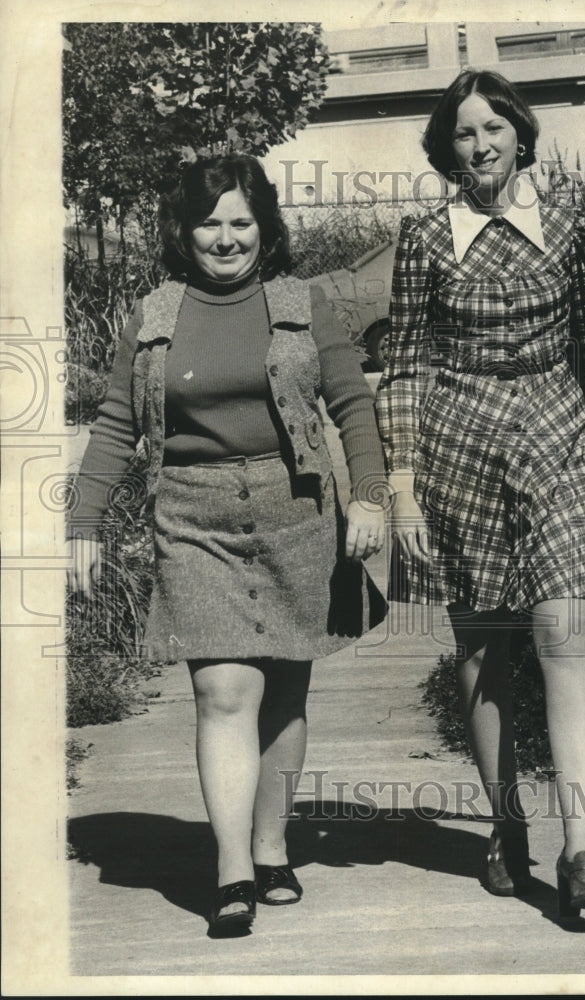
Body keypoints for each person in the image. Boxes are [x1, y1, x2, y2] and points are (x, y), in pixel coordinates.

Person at [67, 154, 387, 937]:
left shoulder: (302, 301)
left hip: (294, 512)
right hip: (191, 515)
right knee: (222, 691)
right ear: (185, 231)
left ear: (264, 227)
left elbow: (351, 407)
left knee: (282, 692)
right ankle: (232, 870)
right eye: (209, 222)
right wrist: (82, 522)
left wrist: (371, 497)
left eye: (240, 221)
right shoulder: (154, 314)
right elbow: (115, 424)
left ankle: (272, 848)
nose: (225, 237)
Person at [375, 70, 585, 916]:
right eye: (462, 133)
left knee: (566, 633)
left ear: (520, 134)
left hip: (557, 432)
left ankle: (580, 848)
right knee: (485, 651)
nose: (479, 146)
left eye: (492, 129)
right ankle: (505, 824)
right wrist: (402, 487)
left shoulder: (564, 223)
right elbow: (404, 364)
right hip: (460, 444)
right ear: (443, 148)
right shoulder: (424, 239)